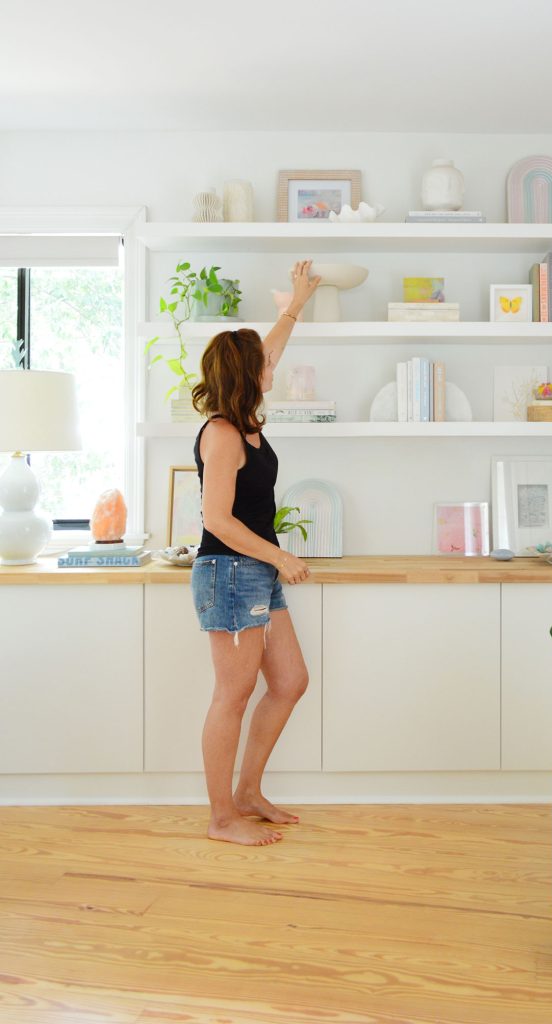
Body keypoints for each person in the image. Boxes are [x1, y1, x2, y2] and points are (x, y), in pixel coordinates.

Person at [189, 260, 321, 847]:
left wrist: (294, 305)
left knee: (290, 681)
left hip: (255, 570)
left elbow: (269, 349)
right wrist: (280, 556)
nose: (272, 367)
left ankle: (248, 793)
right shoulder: (220, 433)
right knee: (233, 695)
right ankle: (222, 819)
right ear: (246, 376)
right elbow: (216, 519)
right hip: (229, 571)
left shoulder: (245, 421)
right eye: (262, 366)